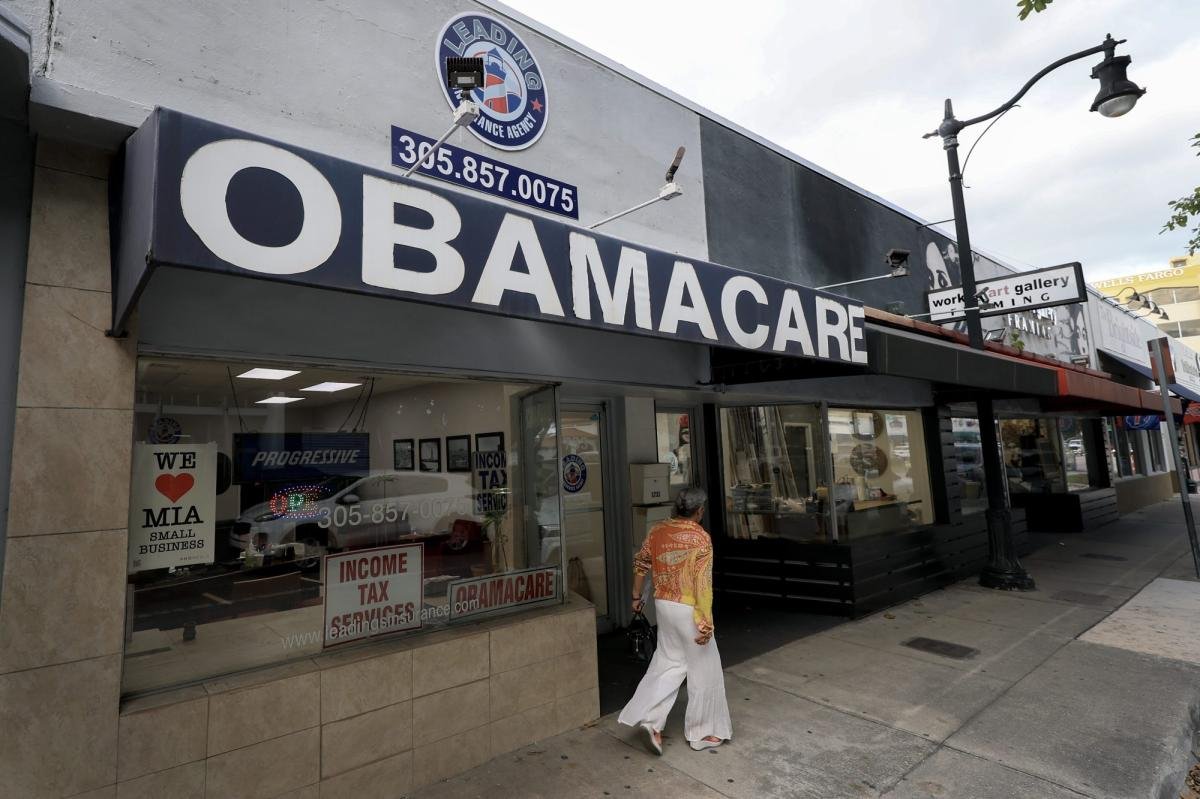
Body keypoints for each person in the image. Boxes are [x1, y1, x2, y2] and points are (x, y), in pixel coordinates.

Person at [618, 487, 732, 755]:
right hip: (688, 607)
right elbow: (702, 584)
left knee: (669, 662)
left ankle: (651, 721)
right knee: (705, 669)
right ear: (699, 511)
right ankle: (704, 733)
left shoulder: (657, 531)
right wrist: (705, 621)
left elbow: (641, 563)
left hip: (663, 605)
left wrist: (636, 597)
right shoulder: (701, 538)